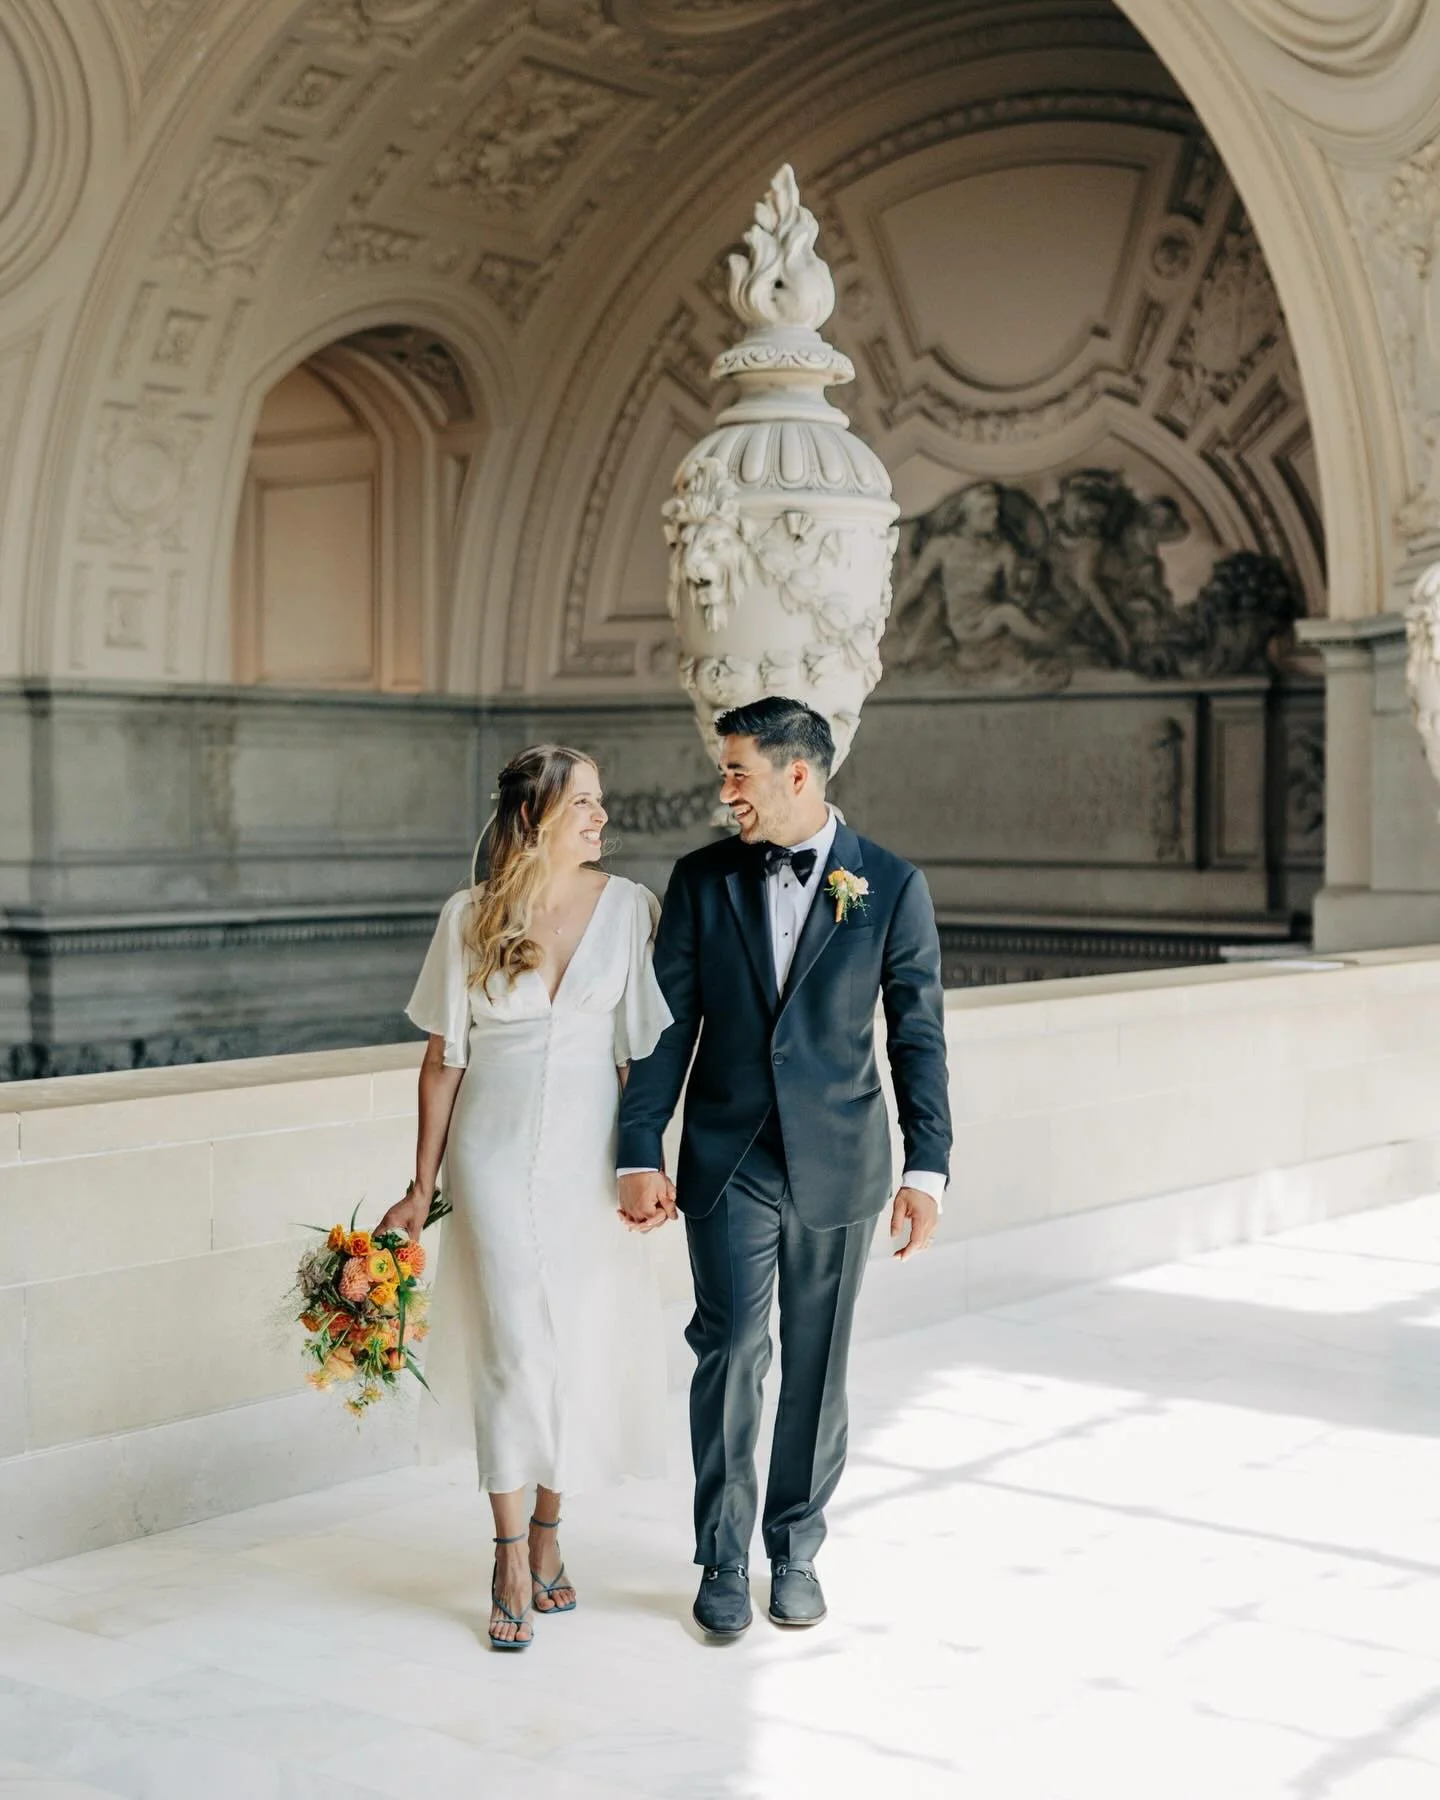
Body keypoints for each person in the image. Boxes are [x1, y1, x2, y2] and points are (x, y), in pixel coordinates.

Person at [616, 696, 951, 1638]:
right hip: (727, 1160)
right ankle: (721, 1560)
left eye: (737, 772)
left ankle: (795, 1548)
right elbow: (664, 1028)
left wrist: (929, 1169)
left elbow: (917, 1038)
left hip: (841, 1163)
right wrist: (638, 1145)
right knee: (728, 1352)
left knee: (818, 1361)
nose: (724, 791)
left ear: (795, 774)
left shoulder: (891, 884)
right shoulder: (700, 881)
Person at [378, 744, 673, 1652]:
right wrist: (418, 1187)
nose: (601, 817)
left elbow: (642, 1056)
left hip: (592, 1158)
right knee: (511, 1348)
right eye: (584, 803)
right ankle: (509, 1552)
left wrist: (645, 1158)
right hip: (493, 1156)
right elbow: (442, 1062)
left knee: (572, 1344)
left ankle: (551, 1527)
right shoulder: (468, 915)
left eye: (600, 802)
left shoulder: (630, 910)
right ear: (535, 814)